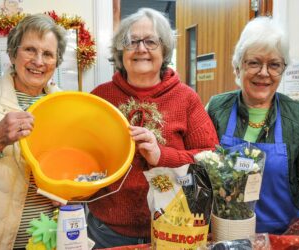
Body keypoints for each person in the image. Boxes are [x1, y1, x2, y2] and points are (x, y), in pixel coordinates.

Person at [88, 8, 219, 248]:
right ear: (120, 49)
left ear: (165, 49)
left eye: (151, 41)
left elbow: (211, 160)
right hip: (107, 232)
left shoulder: (186, 98)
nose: (141, 48)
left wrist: (162, 156)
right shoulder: (99, 97)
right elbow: (82, 157)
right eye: (131, 41)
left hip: (175, 228)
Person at [207, 16, 299, 234]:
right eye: (254, 62)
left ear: (282, 70)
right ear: (238, 65)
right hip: (223, 236)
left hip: (280, 238)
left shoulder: (298, 117)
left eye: (274, 64)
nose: (264, 73)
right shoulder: (216, 108)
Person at [0, 14, 67, 249]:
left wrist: (70, 191)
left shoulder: (66, 104)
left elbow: (72, 170)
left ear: (56, 62)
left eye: (48, 54)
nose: (38, 61)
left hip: (49, 238)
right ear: (12, 54)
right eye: (29, 49)